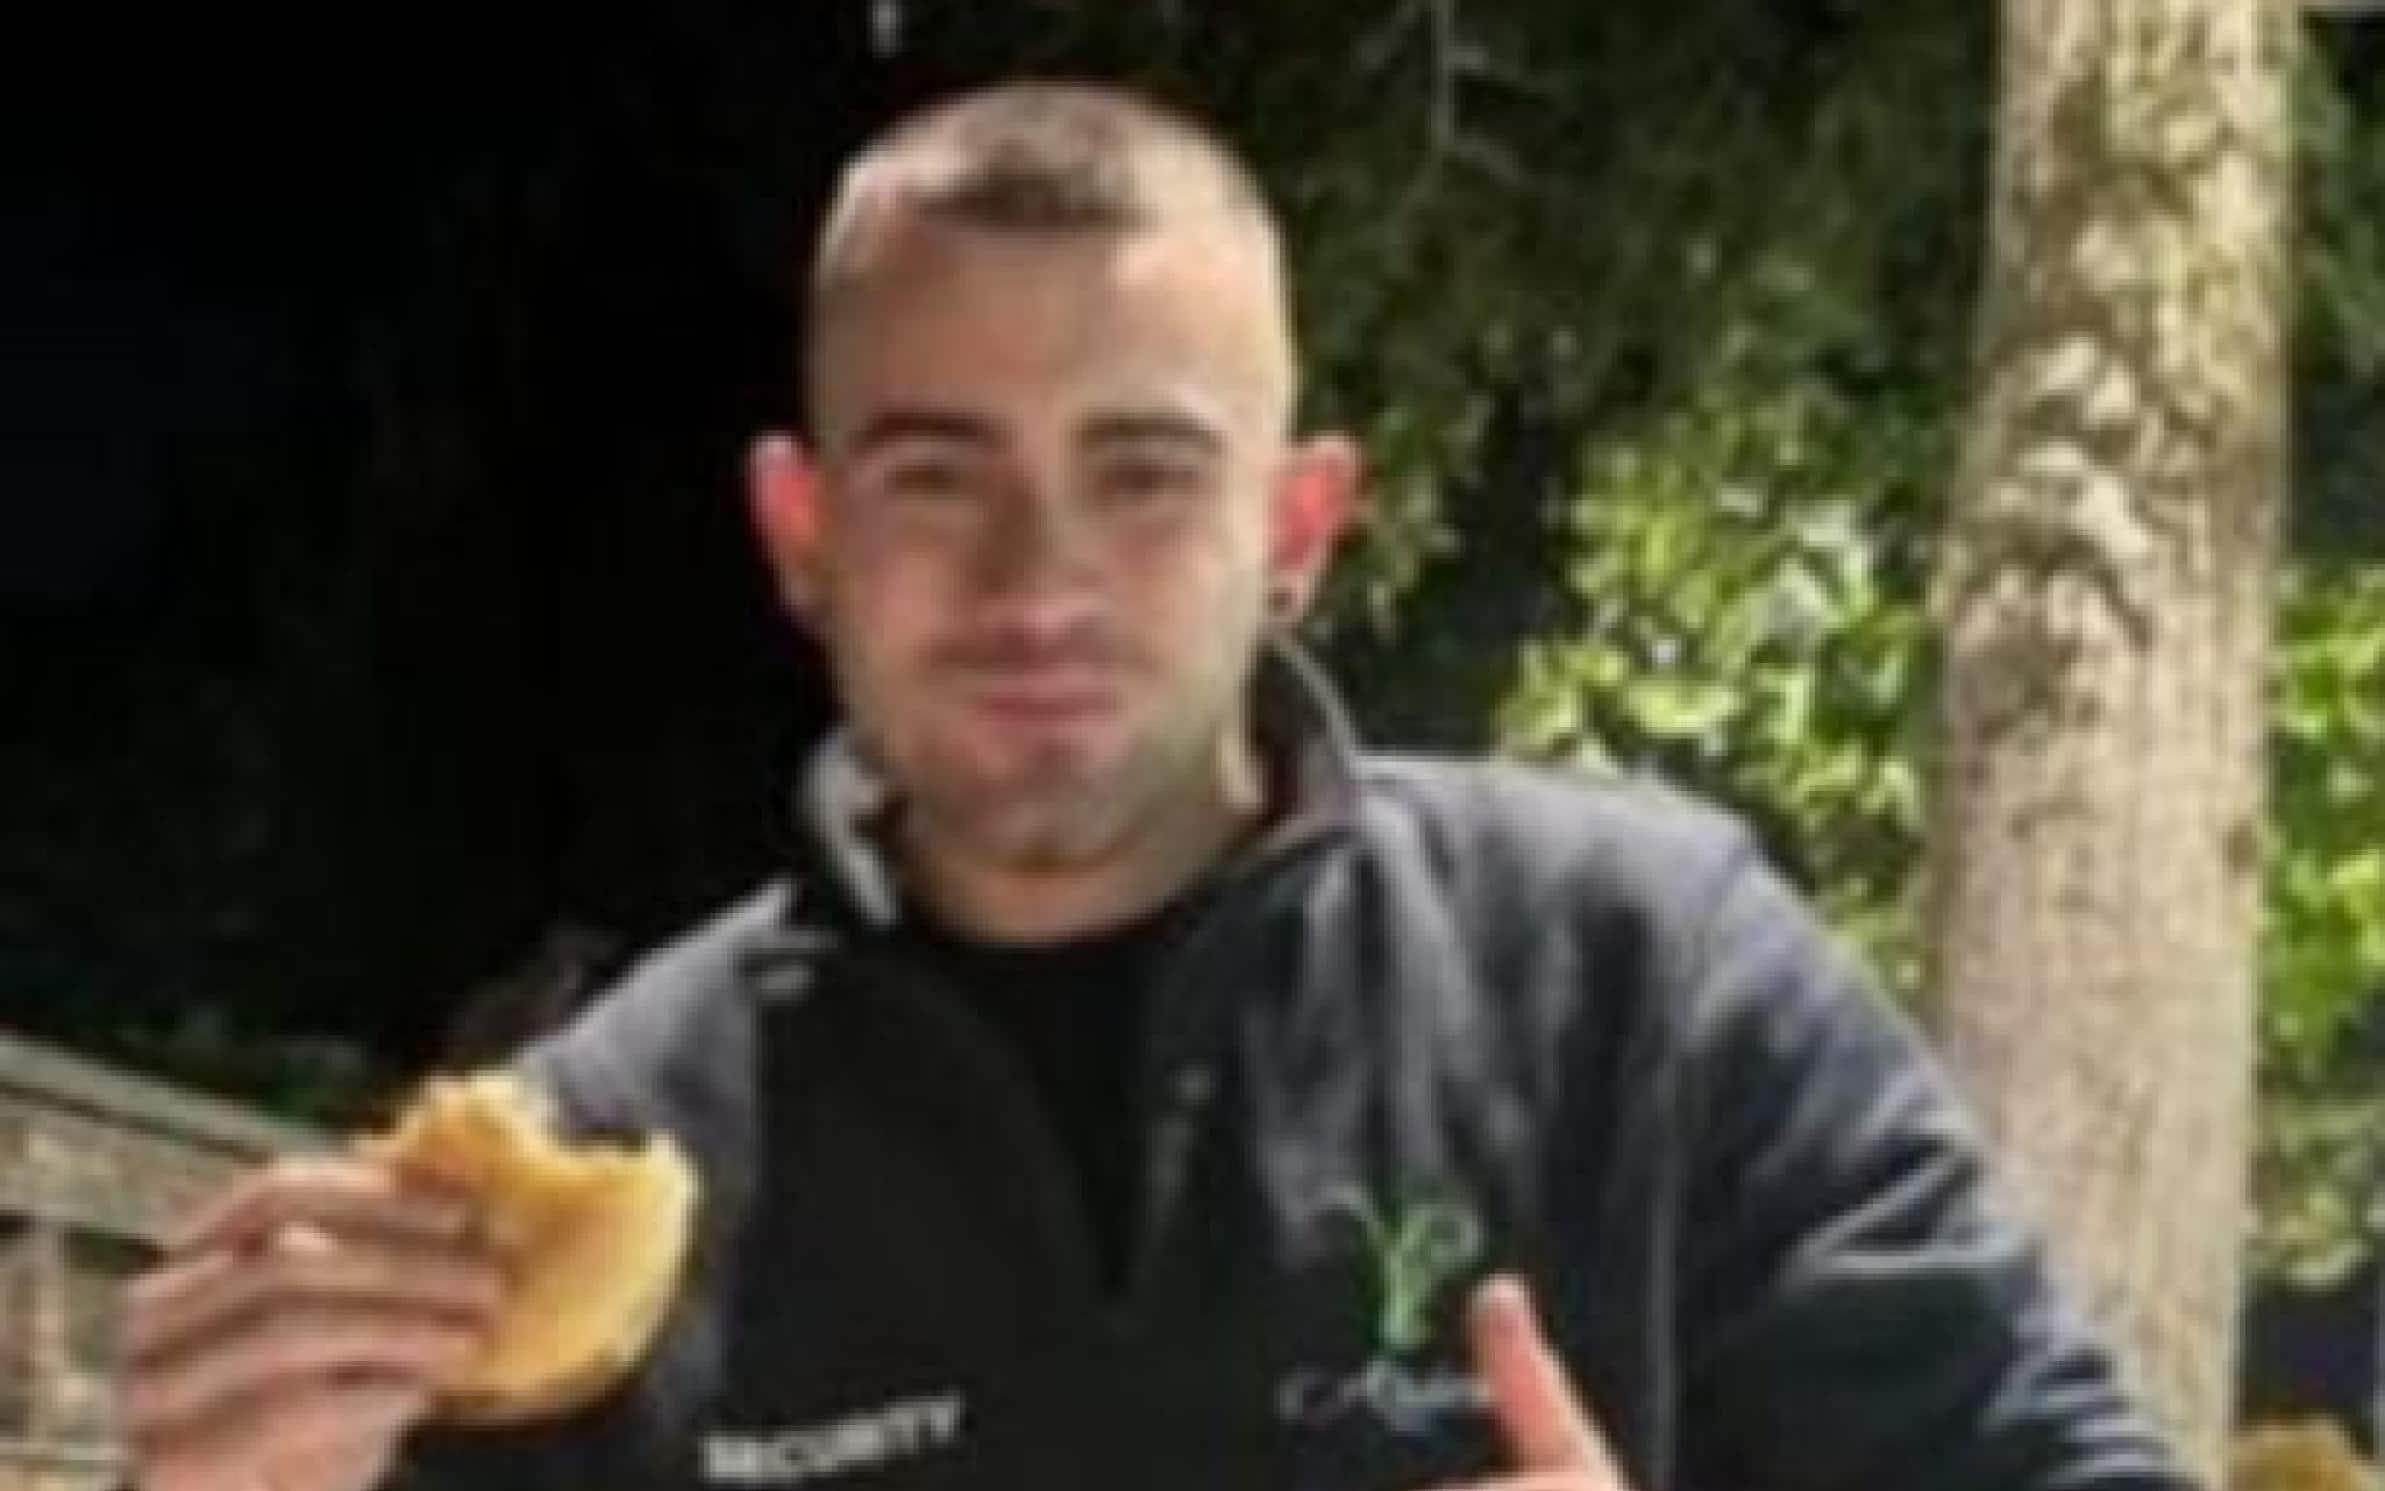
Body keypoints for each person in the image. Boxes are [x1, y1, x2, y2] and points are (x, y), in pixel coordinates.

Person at [116, 81, 2199, 1491]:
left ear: (1295, 526)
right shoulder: (609, 1139)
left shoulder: (1649, 978)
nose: (1038, 580)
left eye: (1143, 473)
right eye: (936, 477)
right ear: (799, 533)